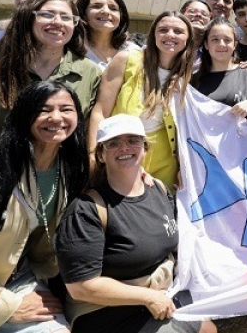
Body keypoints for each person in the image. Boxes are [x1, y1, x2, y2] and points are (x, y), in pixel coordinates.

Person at [54, 114, 217, 333]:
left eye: (133, 140)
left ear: (145, 148)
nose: (124, 148)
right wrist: (148, 297)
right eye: (113, 143)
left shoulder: (158, 189)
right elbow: (81, 287)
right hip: (106, 310)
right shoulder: (87, 210)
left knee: (208, 329)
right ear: (101, 155)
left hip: (159, 294)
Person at [0, 81, 90, 332]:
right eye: (44, 109)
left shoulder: (70, 171)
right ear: (24, 116)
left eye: (66, 109)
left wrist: (142, 176)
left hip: (19, 281)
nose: (56, 118)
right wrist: (7, 307)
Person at [0, 0, 101, 156]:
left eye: (66, 17)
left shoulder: (90, 72)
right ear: (27, 19)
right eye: (47, 14)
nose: (57, 22)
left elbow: (88, 134)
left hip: (62, 176)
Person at [88, 11, 196, 189]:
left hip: (165, 163)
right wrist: (93, 155)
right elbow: (100, 111)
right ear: (153, 34)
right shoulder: (127, 59)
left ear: (187, 39)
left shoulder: (188, 75)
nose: (170, 35)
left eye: (178, 31)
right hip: (121, 153)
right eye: (163, 29)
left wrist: (184, 167)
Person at [191, 18, 247, 125]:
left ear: (235, 44)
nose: (221, 44)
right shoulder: (193, 81)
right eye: (215, 40)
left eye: (227, 40)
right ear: (206, 45)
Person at [74, 0, 139, 71]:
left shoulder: (133, 52)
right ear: (83, 13)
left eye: (113, 8)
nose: (106, 11)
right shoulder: (72, 50)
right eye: (97, 6)